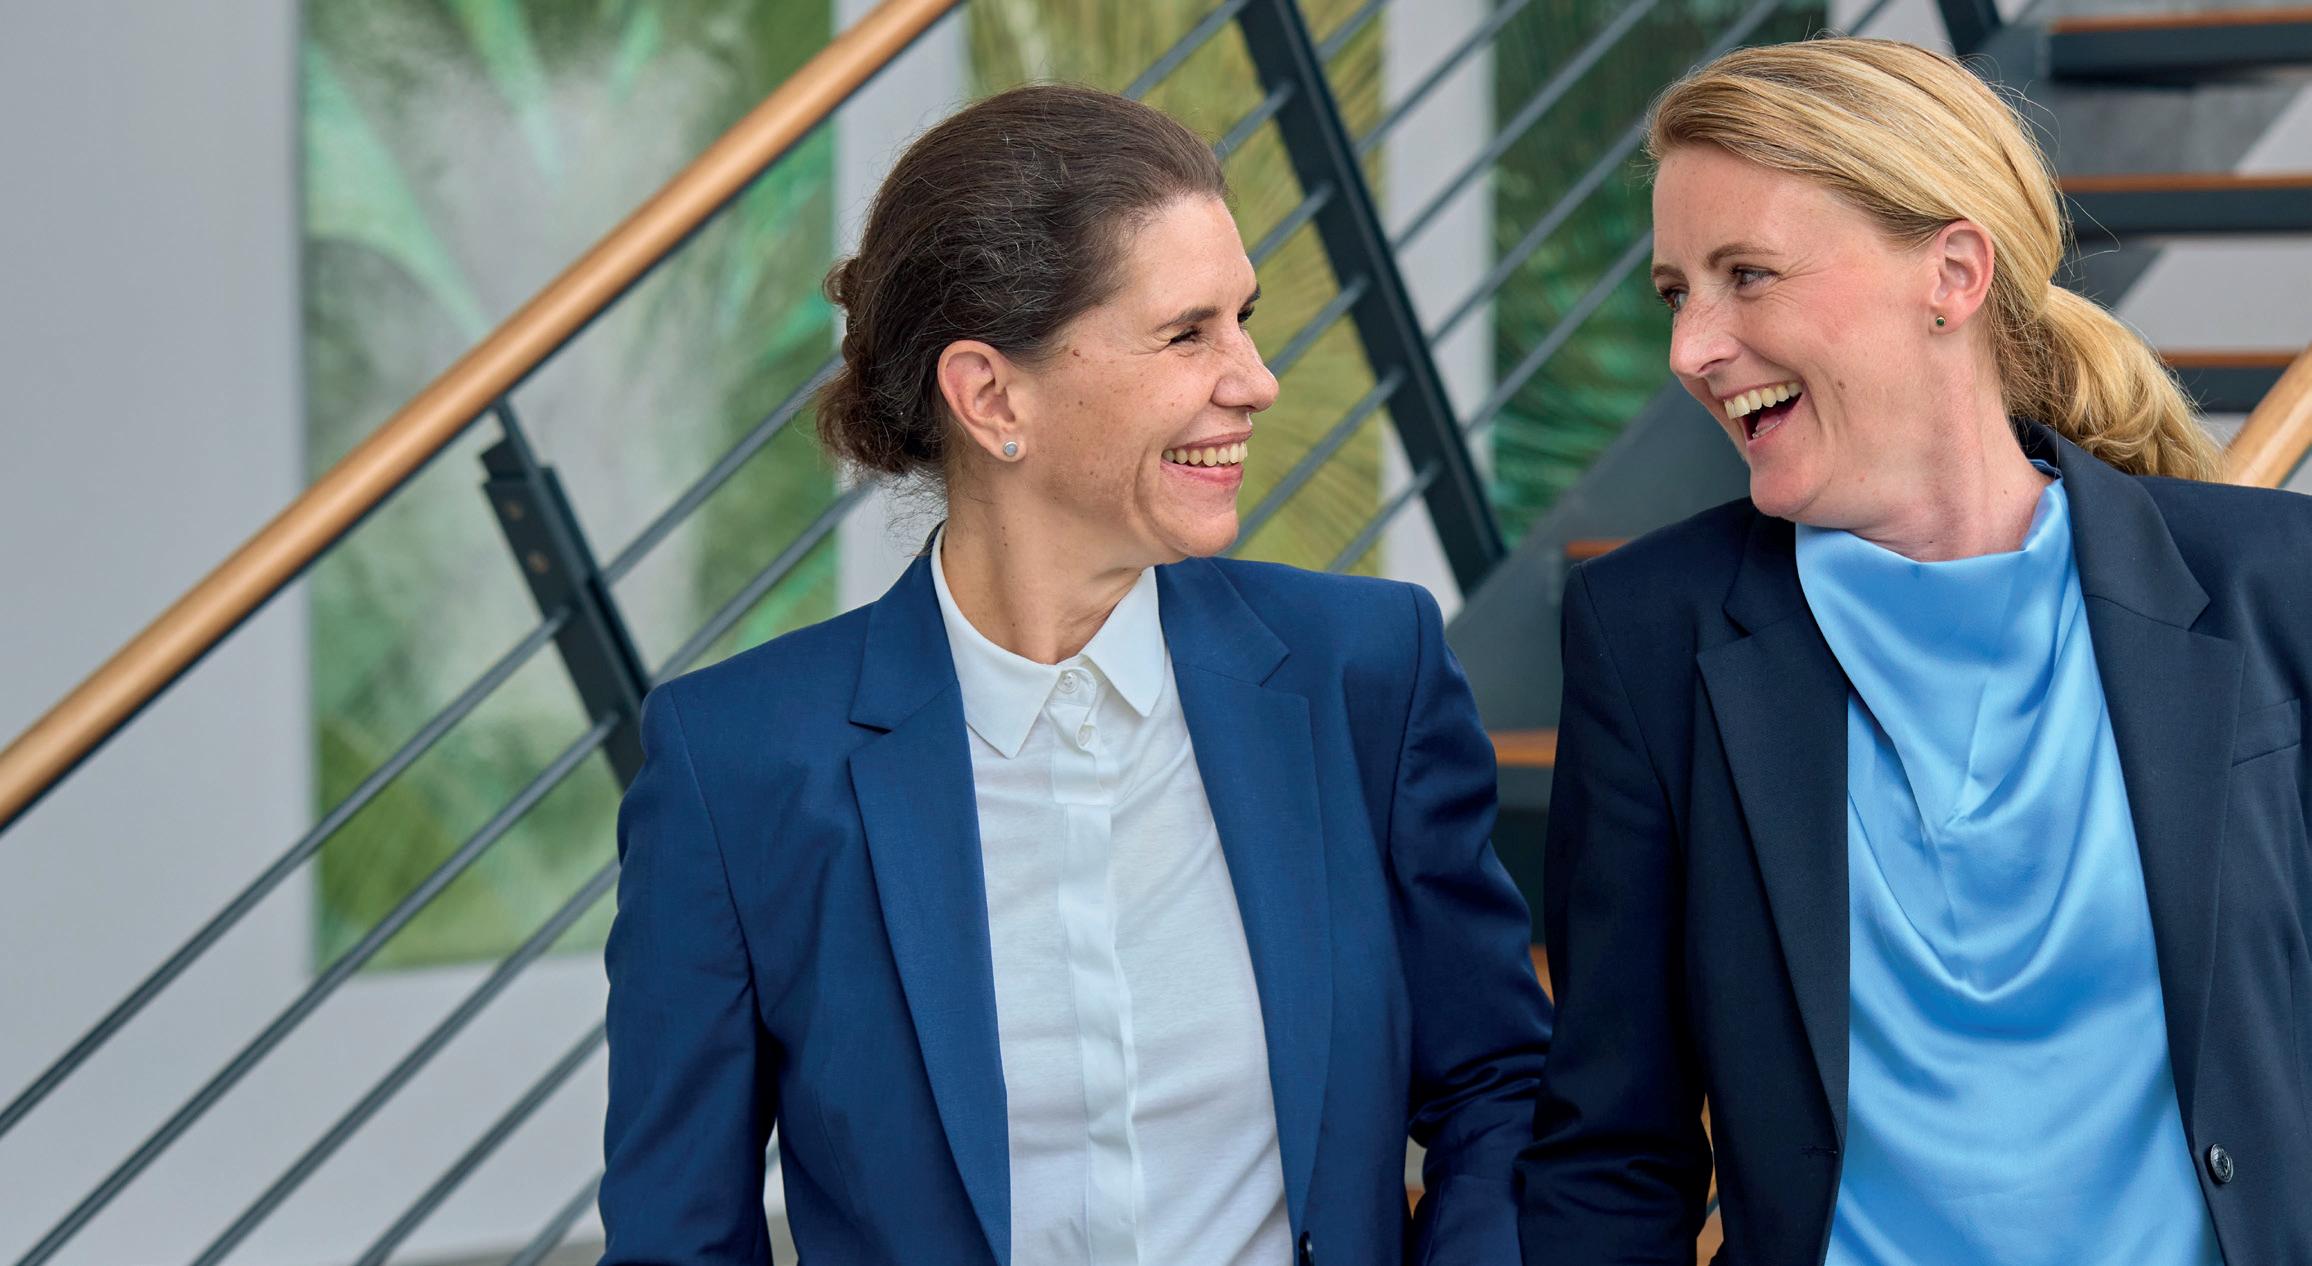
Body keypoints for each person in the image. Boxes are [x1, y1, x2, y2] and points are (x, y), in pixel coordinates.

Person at [598, 83, 1552, 1266]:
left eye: (1243, 319)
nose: (1254, 378)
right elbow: (678, 1234)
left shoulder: (1366, 673)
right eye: (1187, 333)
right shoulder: (736, 766)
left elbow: (1496, 1084)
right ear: (990, 394)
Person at [1514, 37, 2311, 1266]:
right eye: (1677, 293)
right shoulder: (1646, 634)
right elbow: (1612, 1150)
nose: (1689, 350)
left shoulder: (2272, 584)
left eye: (1746, 275)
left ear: (1950, 273)